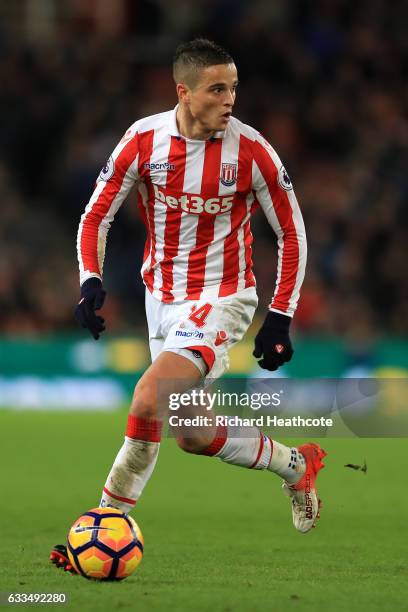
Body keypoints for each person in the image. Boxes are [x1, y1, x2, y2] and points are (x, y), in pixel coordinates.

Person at [51, 38, 326, 573]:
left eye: (234, 88)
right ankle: (297, 464)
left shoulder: (252, 151)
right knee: (191, 434)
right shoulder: (143, 140)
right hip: (163, 300)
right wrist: (89, 281)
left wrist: (281, 314)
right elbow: (95, 216)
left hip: (223, 299)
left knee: (149, 396)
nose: (230, 99)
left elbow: (292, 234)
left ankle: (102, 524)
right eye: (217, 89)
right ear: (184, 91)